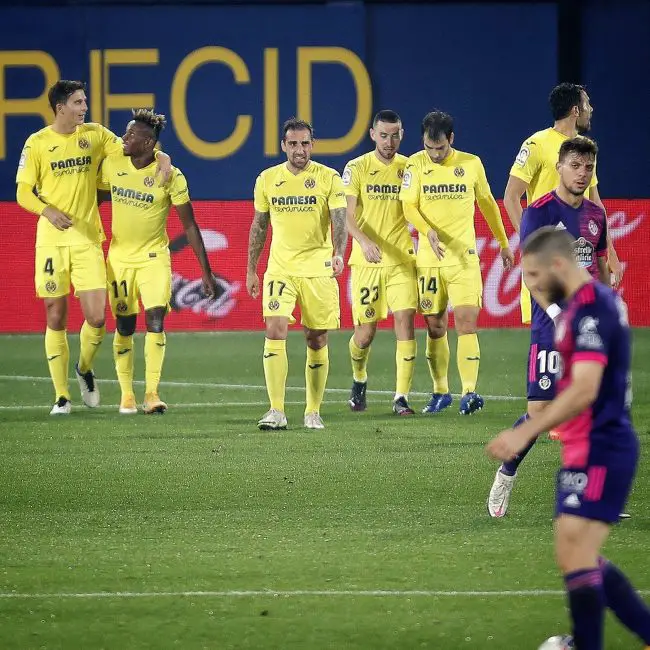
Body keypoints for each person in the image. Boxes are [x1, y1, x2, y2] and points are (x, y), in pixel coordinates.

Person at [487, 227, 650, 650]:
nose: (533, 287)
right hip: (583, 445)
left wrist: (523, 431)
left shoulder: (592, 307)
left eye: (536, 277)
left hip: (603, 444)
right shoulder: (576, 308)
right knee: (572, 553)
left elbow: (584, 389)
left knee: (576, 552)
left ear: (559, 265)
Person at [15, 80, 171, 415]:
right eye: (78, 102)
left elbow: (135, 148)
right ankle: (61, 396)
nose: (84, 107)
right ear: (60, 107)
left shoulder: (95, 135)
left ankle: (84, 368)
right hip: (52, 241)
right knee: (55, 315)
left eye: (84, 102)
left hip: (87, 239)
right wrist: (48, 210)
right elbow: (23, 192)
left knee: (98, 318)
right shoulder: (37, 143)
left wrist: (162, 155)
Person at [488, 137, 610, 518]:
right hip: (551, 324)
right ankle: (506, 473)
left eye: (588, 167)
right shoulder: (539, 212)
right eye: (575, 165)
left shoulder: (595, 215)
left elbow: (600, 266)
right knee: (540, 412)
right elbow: (531, 276)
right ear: (559, 166)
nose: (581, 173)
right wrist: (559, 315)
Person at [98, 109, 217, 414]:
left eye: (131, 135)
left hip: (154, 258)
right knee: (124, 324)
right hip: (120, 259)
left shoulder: (171, 176)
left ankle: (151, 393)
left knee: (155, 319)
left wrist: (206, 272)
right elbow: (94, 199)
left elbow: (189, 226)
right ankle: (127, 395)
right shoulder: (113, 163)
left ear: (149, 142)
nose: (124, 138)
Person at [400, 110, 514, 415]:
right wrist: (427, 231)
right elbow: (408, 206)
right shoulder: (415, 164)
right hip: (429, 260)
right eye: (429, 147)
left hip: (463, 258)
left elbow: (488, 204)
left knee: (466, 322)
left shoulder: (471, 164)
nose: (435, 155)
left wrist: (503, 242)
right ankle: (440, 392)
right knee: (435, 326)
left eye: (440, 148)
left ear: (452, 139)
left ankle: (469, 392)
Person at [246, 118, 347, 430]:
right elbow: (259, 225)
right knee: (274, 329)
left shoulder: (328, 178)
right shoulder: (267, 179)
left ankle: (312, 411)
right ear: (283, 146)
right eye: (293, 143)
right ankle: (276, 410)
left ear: (312, 146)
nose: (299, 149)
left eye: (304, 143)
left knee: (316, 338)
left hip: (318, 269)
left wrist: (339, 252)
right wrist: (252, 268)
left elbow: (339, 219)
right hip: (281, 269)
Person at [504, 83, 623, 329]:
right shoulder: (536, 144)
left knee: (586, 339)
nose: (592, 109)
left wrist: (609, 251)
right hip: (550, 258)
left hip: (582, 256)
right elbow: (511, 197)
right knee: (550, 338)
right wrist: (532, 244)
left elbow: (595, 202)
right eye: (587, 103)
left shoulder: (585, 149)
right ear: (576, 110)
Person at [343, 110, 418, 415]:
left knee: (405, 321)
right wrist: (363, 240)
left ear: (402, 135)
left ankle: (401, 398)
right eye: (384, 135)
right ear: (373, 134)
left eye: (395, 135)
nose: (390, 142)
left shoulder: (409, 168)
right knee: (365, 333)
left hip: (401, 259)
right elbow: (345, 215)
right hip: (367, 262)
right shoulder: (356, 167)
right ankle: (359, 378)